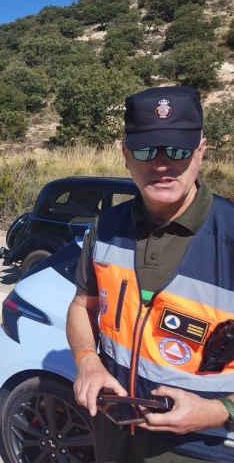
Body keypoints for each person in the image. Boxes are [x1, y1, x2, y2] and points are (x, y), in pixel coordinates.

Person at [66, 86, 234, 463]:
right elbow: (82, 306)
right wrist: (87, 361)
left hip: (206, 449)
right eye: (146, 151)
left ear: (201, 150)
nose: (162, 164)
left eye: (178, 150)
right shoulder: (105, 227)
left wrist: (219, 410)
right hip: (114, 432)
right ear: (126, 156)